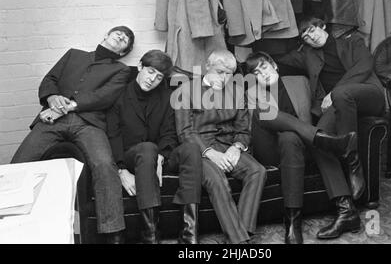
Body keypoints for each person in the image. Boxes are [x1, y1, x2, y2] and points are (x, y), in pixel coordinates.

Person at [11, 26, 135, 244]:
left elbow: (104, 97)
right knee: (21, 162)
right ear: (105, 35)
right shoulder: (73, 54)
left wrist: (65, 107)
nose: (122, 36)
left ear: (124, 52)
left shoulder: (121, 70)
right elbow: (49, 80)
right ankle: (9, 223)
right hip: (52, 118)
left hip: (90, 124)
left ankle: (114, 233)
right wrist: (51, 98)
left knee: (105, 165)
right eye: (119, 32)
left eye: (126, 39)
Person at [275, 16, 386, 240]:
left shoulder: (352, 40)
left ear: (322, 26)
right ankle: (346, 212)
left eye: (312, 30)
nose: (309, 36)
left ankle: (353, 163)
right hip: (339, 105)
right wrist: (249, 59)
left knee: (341, 93)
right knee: (317, 139)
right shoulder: (307, 54)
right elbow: (279, 59)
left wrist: (332, 94)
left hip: (369, 95)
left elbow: (365, 65)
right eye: (304, 36)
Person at [245, 52, 359, 244]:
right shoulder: (250, 94)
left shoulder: (301, 82)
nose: (262, 74)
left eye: (264, 67)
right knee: (264, 112)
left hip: (299, 147)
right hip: (270, 149)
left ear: (274, 65)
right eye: (256, 72)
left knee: (290, 137)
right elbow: (251, 129)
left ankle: (295, 221)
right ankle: (323, 139)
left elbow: (321, 107)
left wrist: (330, 104)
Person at [106, 50, 202, 244]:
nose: (152, 80)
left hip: (159, 157)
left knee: (191, 149)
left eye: (159, 77)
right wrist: (121, 170)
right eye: (150, 72)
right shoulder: (119, 95)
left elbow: (169, 133)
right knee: (148, 148)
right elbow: (112, 135)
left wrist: (162, 156)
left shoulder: (167, 96)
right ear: (140, 67)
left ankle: (189, 234)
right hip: (133, 157)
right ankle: (151, 236)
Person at [173, 50, 267, 244]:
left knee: (257, 171)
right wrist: (209, 153)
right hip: (199, 150)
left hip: (228, 146)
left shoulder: (237, 92)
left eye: (229, 74)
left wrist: (237, 146)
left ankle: (242, 232)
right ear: (208, 66)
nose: (224, 78)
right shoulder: (185, 91)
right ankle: (239, 241)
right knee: (217, 180)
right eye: (220, 71)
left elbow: (243, 130)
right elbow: (185, 132)